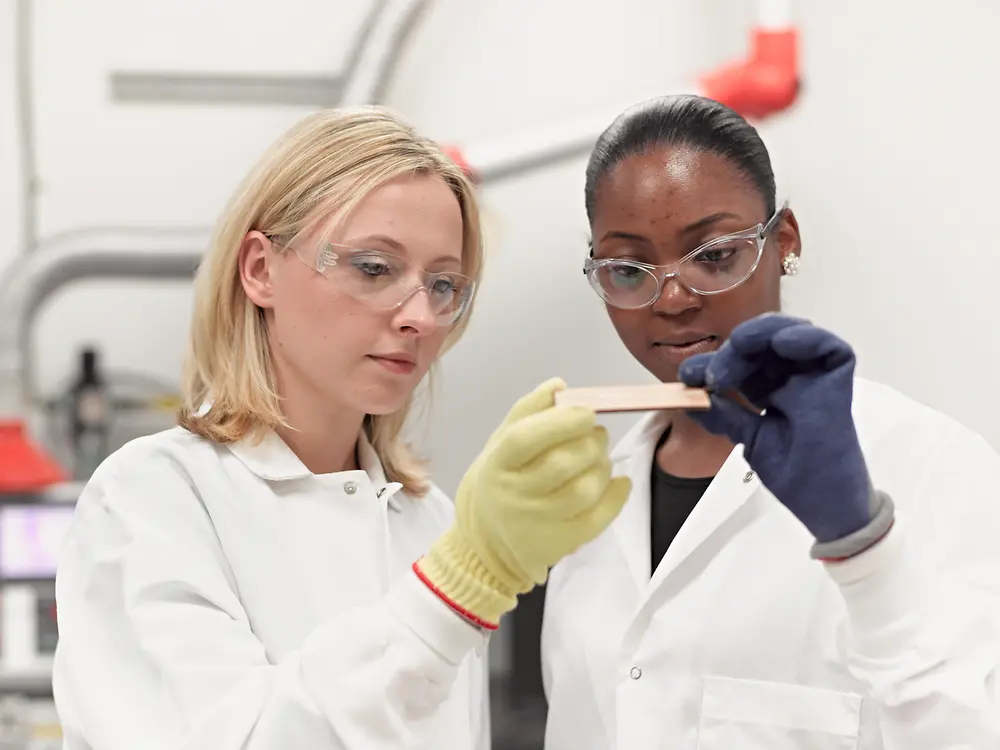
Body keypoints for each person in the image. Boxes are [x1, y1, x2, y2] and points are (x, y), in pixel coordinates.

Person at [51, 106, 630, 750]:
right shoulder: (152, 501)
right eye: (374, 268)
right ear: (260, 270)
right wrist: (452, 592)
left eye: (443, 284)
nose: (419, 316)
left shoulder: (429, 519)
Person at [541, 94, 1000, 749]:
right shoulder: (587, 510)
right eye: (627, 268)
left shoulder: (935, 469)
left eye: (714, 255)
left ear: (784, 241)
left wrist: (863, 546)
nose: (671, 298)